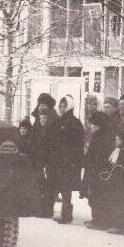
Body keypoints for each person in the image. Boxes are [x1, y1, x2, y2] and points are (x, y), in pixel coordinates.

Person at [45, 95, 85, 224]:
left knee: (65, 188)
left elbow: (77, 144)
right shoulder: (57, 121)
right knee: (55, 185)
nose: (62, 108)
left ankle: (66, 215)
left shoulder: (74, 123)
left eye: (64, 106)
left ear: (69, 106)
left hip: (68, 161)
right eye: (60, 106)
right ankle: (49, 211)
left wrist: (74, 160)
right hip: (56, 160)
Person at [24, 93, 57, 218]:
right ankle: (38, 208)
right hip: (36, 158)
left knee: (48, 185)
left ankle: (47, 210)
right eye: (39, 104)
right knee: (37, 183)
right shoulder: (37, 122)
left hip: (49, 160)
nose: (40, 107)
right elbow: (32, 139)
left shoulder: (53, 122)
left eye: (43, 105)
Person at [82, 110, 116, 230]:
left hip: (99, 172)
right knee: (94, 196)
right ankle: (96, 218)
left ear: (98, 126)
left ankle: (100, 221)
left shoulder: (103, 138)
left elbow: (99, 156)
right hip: (95, 171)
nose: (91, 127)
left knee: (98, 196)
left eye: (93, 125)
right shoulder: (98, 136)